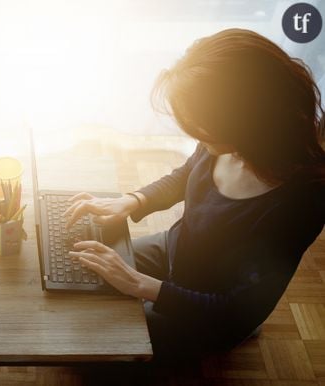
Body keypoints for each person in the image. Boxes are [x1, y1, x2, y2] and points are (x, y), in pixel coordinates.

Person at [64, 29, 324, 359]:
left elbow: (237, 308)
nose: (196, 134)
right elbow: (187, 174)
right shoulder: (226, 140)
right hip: (174, 251)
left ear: (248, 121)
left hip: (210, 311)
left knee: (92, 343)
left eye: (201, 127)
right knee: (76, 276)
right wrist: (132, 201)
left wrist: (139, 285)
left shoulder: (303, 201)